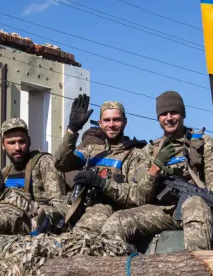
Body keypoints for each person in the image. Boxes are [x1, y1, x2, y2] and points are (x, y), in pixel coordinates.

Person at [99, 90, 213, 250]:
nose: (169, 118)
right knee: (117, 221)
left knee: (195, 205)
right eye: (164, 113)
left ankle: (196, 269)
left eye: (174, 112)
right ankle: (117, 269)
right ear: (158, 118)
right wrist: (156, 167)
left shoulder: (203, 143)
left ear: (183, 114)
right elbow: (140, 196)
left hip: (195, 206)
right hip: (162, 210)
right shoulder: (149, 151)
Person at [54, 94, 149, 233]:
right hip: (78, 205)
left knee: (80, 236)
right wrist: (72, 130)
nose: (111, 125)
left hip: (107, 209)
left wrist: (101, 183)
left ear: (125, 122)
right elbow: (60, 162)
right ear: (100, 123)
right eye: (107, 120)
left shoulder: (135, 155)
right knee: (46, 215)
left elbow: (136, 197)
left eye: (116, 120)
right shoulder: (91, 150)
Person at [0, 117, 67, 229]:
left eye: (21, 141)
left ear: (29, 141)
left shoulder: (44, 163)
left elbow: (61, 206)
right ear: (3, 145)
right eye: (11, 142)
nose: (17, 147)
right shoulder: (4, 173)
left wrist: (39, 216)